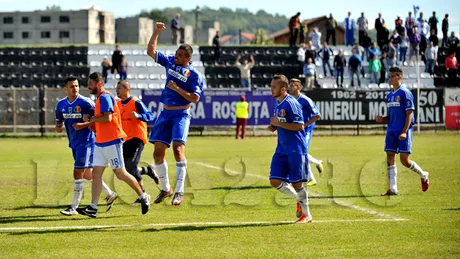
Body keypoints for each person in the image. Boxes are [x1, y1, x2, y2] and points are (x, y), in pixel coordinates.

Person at [77, 72, 151, 218]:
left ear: (98, 84)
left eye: (90, 84)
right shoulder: (99, 98)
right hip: (100, 143)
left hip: (112, 141)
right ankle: (93, 207)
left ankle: (143, 196)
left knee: (121, 174)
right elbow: (101, 120)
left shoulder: (105, 97)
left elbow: (108, 118)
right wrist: (90, 123)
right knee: (96, 175)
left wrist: (91, 119)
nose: (88, 87)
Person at [146, 22, 204, 206]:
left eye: (179, 55)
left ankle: (179, 191)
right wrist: (156, 32)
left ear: (187, 58)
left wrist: (177, 88)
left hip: (180, 115)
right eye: (176, 54)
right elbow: (151, 51)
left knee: (178, 149)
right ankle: (166, 188)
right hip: (165, 114)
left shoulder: (194, 74)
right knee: (157, 154)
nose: (176, 57)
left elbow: (194, 98)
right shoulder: (170, 62)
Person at [56, 76, 117, 216]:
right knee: (89, 174)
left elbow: (98, 119)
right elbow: (59, 119)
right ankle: (110, 194)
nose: (75, 88)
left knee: (77, 173)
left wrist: (86, 123)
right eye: (72, 86)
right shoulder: (60, 104)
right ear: (65, 89)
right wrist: (58, 126)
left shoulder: (86, 103)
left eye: (76, 86)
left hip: (87, 142)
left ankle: (73, 207)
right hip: (73, 142)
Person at [376, 66, 430, 196]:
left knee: (405, 161)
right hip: (391, 130)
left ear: (400, 77)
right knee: (389, 156)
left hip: (403, 131)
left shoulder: (405, 93)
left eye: (393, 76)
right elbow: (392, 116)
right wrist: (383, 118)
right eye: (390, 76)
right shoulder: (389, 95)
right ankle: (393, 188)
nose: (391, 78)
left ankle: (423, 174)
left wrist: (405, 131)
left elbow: (409, 113)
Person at [267, 74, 312, 224]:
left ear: (283, 89)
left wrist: (279, 124)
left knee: (297, 183)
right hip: (281, 149)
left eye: (274, 87)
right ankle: (299, 201)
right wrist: (274, 126)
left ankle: (307, 215)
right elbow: (281, 121)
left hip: (296, 149)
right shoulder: (278, 103)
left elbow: (300, 126)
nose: (271, 89)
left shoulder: (291, 103)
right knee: (274, 181)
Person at [115, 80, 159, 205]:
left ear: (127, 89)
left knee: (131, 167)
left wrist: (139, 116)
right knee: (122, 171)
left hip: (137, 138)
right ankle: (147, 171)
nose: (117, 91)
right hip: (124, 140)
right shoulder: (117, 104)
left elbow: (150, 115)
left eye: (119, 88)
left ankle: (143, 196)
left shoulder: (136, 102)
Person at [289, 78, 323, 188]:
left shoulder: (305, 100)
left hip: (306, 131)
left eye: (293, 85)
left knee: (301, 153)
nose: (290, 87)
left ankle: (311, 178)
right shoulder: (289, 100)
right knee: (296, 153)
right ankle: (317, 163)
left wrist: (306, 124)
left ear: (299, 87)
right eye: (290, 85)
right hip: (296, 131)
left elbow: (317, 115)